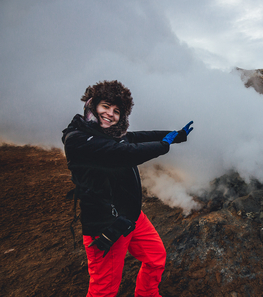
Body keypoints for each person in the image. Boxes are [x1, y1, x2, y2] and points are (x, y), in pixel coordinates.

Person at [62, 80, 193, 297]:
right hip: (106, 226)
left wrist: (176, 135)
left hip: (132, 216)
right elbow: (125, 152)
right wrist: (163, 146)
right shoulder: (78, 139)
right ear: (92, 104)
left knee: (156, 258)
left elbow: (136, 137)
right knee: (103, 290)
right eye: (106, 106)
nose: (110, 114)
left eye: (117, 111)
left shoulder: (110, 134)